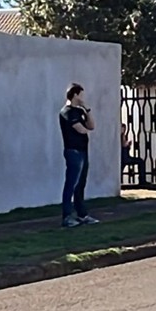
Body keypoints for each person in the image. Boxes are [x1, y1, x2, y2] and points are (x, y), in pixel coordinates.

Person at [58, 83, 100, 228]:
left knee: (80, 184)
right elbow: (81, 129)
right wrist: (85, 128)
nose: (83, 97)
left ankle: (82, 214)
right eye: (81, 94)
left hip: (83, 150)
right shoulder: (67, 112)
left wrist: (87, 110)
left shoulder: (79, 111)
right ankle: (67, 216)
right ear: (75, 95)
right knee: (71, 183)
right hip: (73, 151)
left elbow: (92, 126)